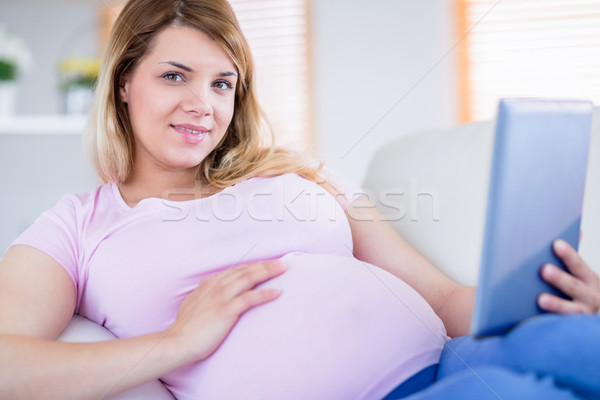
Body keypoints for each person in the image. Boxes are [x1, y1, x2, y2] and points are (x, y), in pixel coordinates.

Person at [0, 0, 598, 399]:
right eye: (175, 76)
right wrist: (174, 344)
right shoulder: (76, 227)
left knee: (582, 342)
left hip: (455, 358)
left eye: (222, 83)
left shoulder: (296, 169)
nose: (203, 105)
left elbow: (441, 296)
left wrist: (547, 294)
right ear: (125, 82)